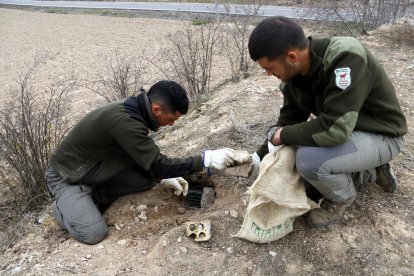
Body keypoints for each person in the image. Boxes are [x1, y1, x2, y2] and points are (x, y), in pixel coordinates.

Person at [248, 16, 407, 228]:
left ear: (292, 57)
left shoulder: (346, 58)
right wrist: (257, 159)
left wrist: (282, 135)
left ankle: (342, 197)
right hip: (353, 133)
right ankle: (368, 170)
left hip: (383, 136)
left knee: (309, 160)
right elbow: (288, 121)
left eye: (269, 68)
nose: (268, 74)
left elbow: (335, 130)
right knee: (297, 166)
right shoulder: (293, 77)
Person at [46, 80, 238, 244]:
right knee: (93, 233)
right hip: (67, 176)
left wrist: (161, 177)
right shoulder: (125, 121)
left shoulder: (136, 111)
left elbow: (145, 159)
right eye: (171, 119)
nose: (171, 124)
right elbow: (158, 163)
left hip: (94, 169)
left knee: (144, 179)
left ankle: (91, 199)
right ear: (156, 109)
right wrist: (205, 159)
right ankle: (63, 210)